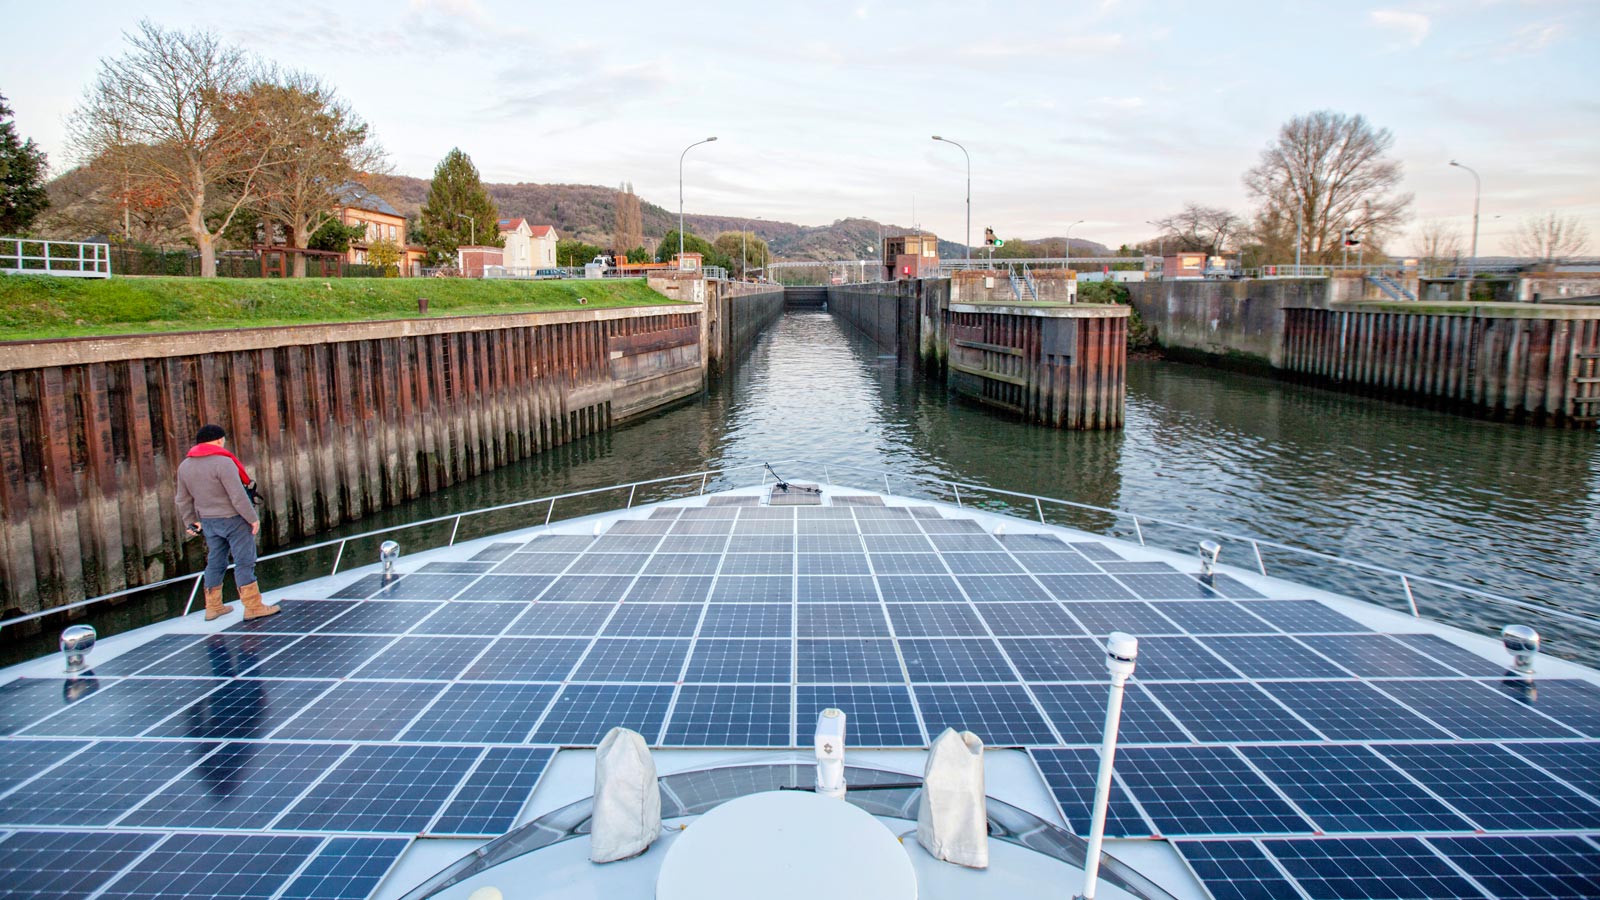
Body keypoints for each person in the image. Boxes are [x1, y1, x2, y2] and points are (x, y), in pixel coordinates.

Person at [175, 424, 278, 621]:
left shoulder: (184, 466)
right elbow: (238, 496)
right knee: (244, 561)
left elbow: (182, 498)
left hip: (209, 522)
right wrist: (252, 519)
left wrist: (191, 522)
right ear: (219, 440)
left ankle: (213, 607)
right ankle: (253, 606)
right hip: (233, 520)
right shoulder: (223, 463)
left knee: (215, 561)